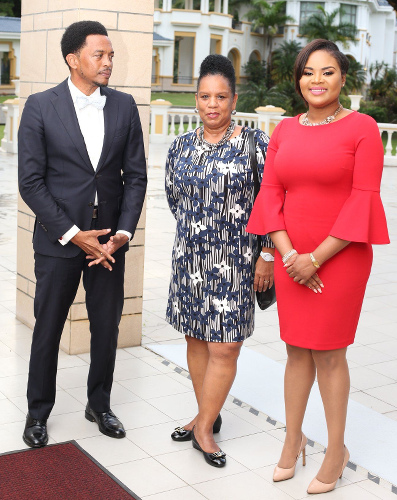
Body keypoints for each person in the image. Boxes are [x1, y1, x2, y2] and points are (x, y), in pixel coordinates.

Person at [247, 39, 389, 494]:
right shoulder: (285, 130)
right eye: (309, 72)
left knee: (329, 354)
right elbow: (271, 194)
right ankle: (293, 439)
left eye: (327, 72)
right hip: (292, 258)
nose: (317, 80)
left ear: (343, 78)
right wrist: (289, 255)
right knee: (294, 349)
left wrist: (315, 259)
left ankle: (336, 449)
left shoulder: (363, 128)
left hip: (340, 258)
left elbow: (363, 200)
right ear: (299, 79)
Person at [18, 21, 147, 448]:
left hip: (109, 242)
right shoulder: (39, 106)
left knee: (106, 326)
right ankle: (38, 413)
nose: (108, 62)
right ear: (74, 59)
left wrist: (123, 233)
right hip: (59, 241)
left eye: (111, 55)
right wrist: (74, 234)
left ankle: (100, 404)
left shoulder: (126, 107)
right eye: (100, 55)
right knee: (48, 328)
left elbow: (137, 178)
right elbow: (31, 183)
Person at [165, 54, 274, 467]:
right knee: (195, 339)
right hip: (190, 262)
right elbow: (177, 201)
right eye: (205, 96)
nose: (213, 104)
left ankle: (204, 429)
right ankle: (205, 416)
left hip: (237, 264)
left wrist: (265, 253)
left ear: (234, 99)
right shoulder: (180, 147)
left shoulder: (255, 144)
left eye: (221, 96)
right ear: (196, 99)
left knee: (225, 347)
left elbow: (273, 201)